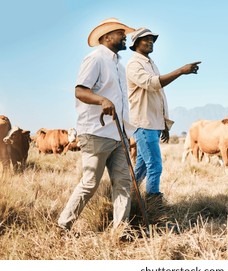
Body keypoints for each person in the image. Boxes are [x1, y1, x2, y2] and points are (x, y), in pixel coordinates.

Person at [58, 18, 136, 233]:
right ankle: (64, 225)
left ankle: (121, 230)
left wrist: (128, 131)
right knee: (90, 183)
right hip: (96, 132)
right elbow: (80, 91)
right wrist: (102, 100)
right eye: (121, 33)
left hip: (118, 134)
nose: (125, 37)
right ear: (107, 37)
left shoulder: (119, 66)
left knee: (123, 183)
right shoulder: (95, 59)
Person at [126, 27, 200, 223]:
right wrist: (180, 71)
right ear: (135, 44)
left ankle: (129, 202)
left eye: (152, 39)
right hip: (143, 122)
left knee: (141, 166)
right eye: (145, 39)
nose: (150, 42)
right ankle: (154, 209)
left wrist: (164, 124)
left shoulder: (151, 64)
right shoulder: (134, 65)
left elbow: (159, 96)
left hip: (152, 123)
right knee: (155, 166)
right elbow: (152, 84)